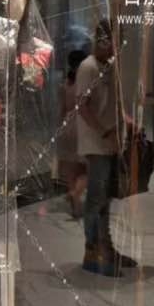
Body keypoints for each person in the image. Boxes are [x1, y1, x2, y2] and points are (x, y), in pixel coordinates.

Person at [75, 19, 135, 276]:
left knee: (106, 199)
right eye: (115, 40)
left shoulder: (109, 66)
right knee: (96, 199)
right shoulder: (88, 67)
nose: (118, 46)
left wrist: (125, 122)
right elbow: (82, 106)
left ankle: (106, 248)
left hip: (110, 143)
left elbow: (111, 102)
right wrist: (105, 131)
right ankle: (93, 251)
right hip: (97, 144)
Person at [57, 49, 88, 218]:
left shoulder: (65, 84)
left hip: (67, 126)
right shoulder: (87, 83)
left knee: (71, 168)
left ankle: (75, 204)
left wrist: (59, 128)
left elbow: (62, 110)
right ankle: (76, 193)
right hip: (83, 126)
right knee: (89, 167)